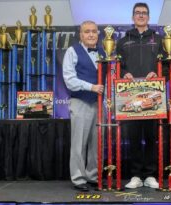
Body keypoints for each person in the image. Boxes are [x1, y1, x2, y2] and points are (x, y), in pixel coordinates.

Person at [116, 2, 165, 189]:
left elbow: (167, 66)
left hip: (153, 96)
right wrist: (123, 75)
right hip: (131, 97)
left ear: (149, 17)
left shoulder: (159, 40)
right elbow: (117, 68)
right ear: (132, 17)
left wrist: (159, 74)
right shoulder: (123, 41)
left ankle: (150, 175)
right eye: (138, 13)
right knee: (134, 137)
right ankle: (136, 175)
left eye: (144, 13)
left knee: (151, 136)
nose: (141, 16)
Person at [63, 20, 105, 192]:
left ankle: (93, 176)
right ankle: (79, 178)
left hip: (99, 104)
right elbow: (69, 80)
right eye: (87, 31)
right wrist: (91, 87)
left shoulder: (104, 52)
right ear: (80, 34)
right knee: (79, 143)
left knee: (97, 144)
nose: (90, 34)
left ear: (98, 34)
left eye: (94, 31)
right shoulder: (72, 51)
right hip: (80, 102)